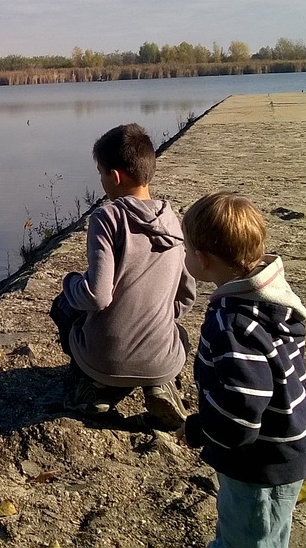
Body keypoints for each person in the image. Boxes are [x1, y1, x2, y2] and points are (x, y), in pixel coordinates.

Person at [177, 192, 306, 548]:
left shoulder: (233, 324)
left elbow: (240, 414)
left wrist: (200, 429)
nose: (183, 255)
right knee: (263, 532)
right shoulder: (269, 298)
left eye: (186, 249)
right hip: (286, 441)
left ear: (204, 260)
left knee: (251, 536)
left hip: (260, 462)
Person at [49, 123, 196, 428]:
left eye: (101, 173)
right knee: (179, 335)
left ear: (114, 177)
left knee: (64, 306)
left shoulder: (106, 217)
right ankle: (160, 384)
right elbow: (186, 295)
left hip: (104, 359)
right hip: (161, 360)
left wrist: (70, 283)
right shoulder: (174, 220)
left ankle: (95, 387)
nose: (101, 179)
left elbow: (97, 295)